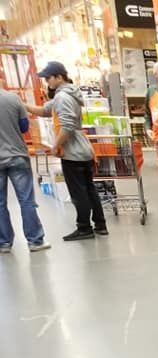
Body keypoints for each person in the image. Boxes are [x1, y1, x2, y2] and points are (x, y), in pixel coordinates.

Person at [26, 61, 107, 241]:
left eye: (48, 78)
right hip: (84, 149)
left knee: (79, 192)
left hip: (73, 152)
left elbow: (68, 126)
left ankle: (84, 228)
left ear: (59, 77)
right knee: (90, 189)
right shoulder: (67, 95)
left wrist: (56, 145)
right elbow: (46, 110)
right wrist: (24, 106)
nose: (47, 82)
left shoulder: (62, 97)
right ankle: (100, 224)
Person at [0, 88, 48, 253]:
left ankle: (4, 243)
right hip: (17, 156)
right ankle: (35, 241)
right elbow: (24, 126)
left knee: (0, 204)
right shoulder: (13, 99)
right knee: (26, 201)